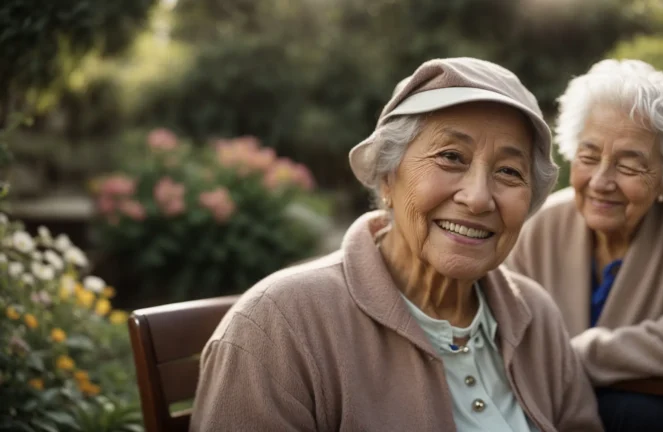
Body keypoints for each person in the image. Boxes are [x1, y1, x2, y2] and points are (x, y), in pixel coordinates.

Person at [190, 57, 603, 432]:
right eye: (451, 157)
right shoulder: (279, 326)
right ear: (387, 177)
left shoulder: (534, 315)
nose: (478, 197)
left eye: (509, 172)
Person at [506, 59, 663, 432]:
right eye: (589, 157)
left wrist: (572, 355)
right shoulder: (540, 225)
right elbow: (500, 329)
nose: (601, 181)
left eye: (629, 166)